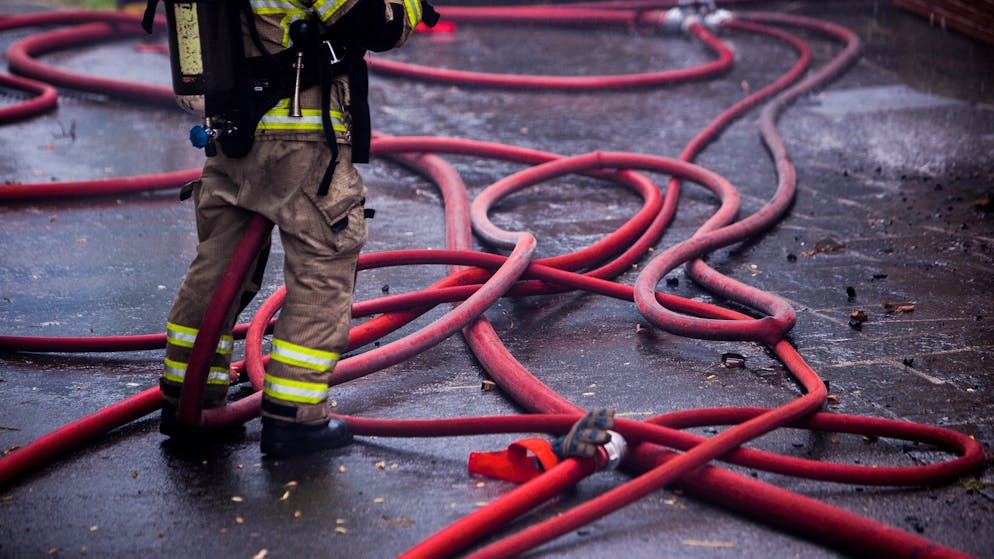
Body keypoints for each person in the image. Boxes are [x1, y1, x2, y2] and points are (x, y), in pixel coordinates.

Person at [153, 0, 435, 456]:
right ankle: (295, 418)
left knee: (218, 267)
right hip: (298, 132)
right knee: (323, 263)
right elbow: (378, 22)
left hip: (231, 127)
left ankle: (188, 400)